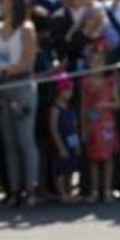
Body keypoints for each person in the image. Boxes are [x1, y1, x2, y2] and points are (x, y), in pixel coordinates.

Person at [0, 0, 40, 207]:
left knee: (25, 139)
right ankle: (15, 189)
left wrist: (6, 71)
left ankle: (31, 187)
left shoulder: (26, 29)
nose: (1, 4)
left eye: (4, 0)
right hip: (1, 88)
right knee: (9, 141)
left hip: (21, 86)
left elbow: (27, 61)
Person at [79, 41, 120, 202]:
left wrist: (106, 104)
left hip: (107, 124)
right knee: (93, 158)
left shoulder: (110, 81)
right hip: (92, 124)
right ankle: (95, 190)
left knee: (108, 157)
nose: (97, 65)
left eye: (100, 62)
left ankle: (108, 189)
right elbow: (83, 106)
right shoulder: (85, 83)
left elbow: (118, 103)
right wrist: (84, 127)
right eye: (94, 62)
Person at [47, 74, 81, 203]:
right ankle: (62, 193)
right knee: (60, 169)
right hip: (61, 142)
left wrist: (76, 144)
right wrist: (60, 146)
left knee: (70, 167)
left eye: (70, 90)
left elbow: (74, 128)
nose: (69, 93)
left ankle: (69, 191)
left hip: (71, 141)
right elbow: (53, 128)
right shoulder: (55, 109)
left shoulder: (70, 108)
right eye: (66, 90)